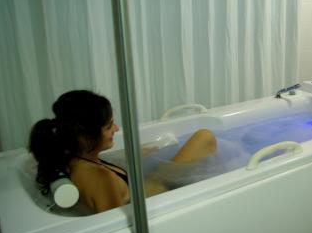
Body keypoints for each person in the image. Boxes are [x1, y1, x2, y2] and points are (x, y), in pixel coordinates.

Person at [29, 90, 217, 213]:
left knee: (203, 136)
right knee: (205, 137)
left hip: (153, 183)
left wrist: (137, 154)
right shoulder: (98, 179)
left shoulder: (75, 157)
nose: (117, 128)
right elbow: (119, 227)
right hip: (163, 192)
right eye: (109, 126)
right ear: (87, 137)